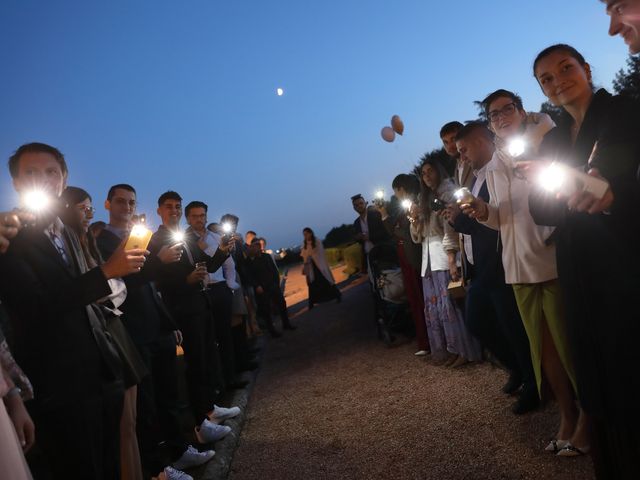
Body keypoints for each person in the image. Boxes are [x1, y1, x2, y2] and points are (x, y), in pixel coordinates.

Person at [0, 142, 147, 479]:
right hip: (59, 385)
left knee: (111, 463)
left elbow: (86, 297)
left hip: (101, 371)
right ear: (17, 184)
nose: (43, 179)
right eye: (31, 173)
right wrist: (107, 272)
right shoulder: (10, 238)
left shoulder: (67, 230)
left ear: (64, 180)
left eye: (51, 172)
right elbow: (37, 305)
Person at [530, 44, 640, 476]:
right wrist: (547, 187)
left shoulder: (624, 112)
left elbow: (620, 177)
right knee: (592, 372)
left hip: (624, 260)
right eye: (547, 79)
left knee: (628, 365)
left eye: (565, 68)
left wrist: (604, 190)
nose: (558, 81)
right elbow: (542, 211)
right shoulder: (554, 140)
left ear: (586, 68)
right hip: (576, 269)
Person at [461, 89, 588, 455]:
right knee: (543, 349)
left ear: (521, 108)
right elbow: (503, 218)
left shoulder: (546, 138)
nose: (501, 117)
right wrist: (483, 211)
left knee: (570, 344)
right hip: (516, 265)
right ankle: (566, 414)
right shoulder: (497, 160)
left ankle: (590, 419)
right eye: (494, 114)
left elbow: (561, 193)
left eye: (507, 109)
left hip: (549, 255)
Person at [96, 184, 214, 475]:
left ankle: (180, 450)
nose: (127, 207)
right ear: (107, 204)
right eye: (120, 202)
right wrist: (157, 263)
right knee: (145, 407)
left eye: (132, 202)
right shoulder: (102, 244)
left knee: (170, 393)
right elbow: (120, 283)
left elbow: (151, 287)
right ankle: (157, 467)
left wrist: (169, 324)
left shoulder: (140, 239)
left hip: (156, 325)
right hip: (133, 329)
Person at [447, 122, 538, 414]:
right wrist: (457, 218)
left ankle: (534, 385)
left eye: (463, 149)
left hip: (499, 262)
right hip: (480, 267)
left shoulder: (499, 173)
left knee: (513, 327)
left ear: (481, 142)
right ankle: (516, 368)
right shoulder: (475, 179)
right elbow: (477, 220)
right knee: (477, 322)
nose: (461, 157)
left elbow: (496, 222)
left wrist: (465, 218)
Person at [60, 186, 149, 480]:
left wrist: (111, 278)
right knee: (123, 427)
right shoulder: (66, 246)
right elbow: (95, 290)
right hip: (103, 330)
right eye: (82, 208)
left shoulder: (86, 242)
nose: (88, 214)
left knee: (131, 423)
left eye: (89, 209)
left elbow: (113, 288)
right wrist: (110, 275)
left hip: (115, 326)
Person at [148, 191, 236, 446]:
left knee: (207, 357)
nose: (174, 210)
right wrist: (186, 280)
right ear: (159, 211)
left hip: (202, 303)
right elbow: (157, 278)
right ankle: (201, 423)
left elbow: (206, 265)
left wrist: (221, 250)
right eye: (169, 207)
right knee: (195, 363)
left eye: (177, 206)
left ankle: (210, 408)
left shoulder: (186, 236)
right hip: (183, 310)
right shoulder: (155, 240)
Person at [409, 156, 482, 368]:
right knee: (438, 307)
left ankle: (466, 350)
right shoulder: (426, 197)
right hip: (429, 256)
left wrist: (451, 256)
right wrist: (414, 219)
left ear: (438, 170)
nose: (427, 176)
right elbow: (418, 236)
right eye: (423, 173)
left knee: (451, 304)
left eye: (430, 171)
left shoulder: (447, 191)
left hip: (444, 252)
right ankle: (451, 348)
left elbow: (450, 226)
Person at [185, 201, 248, 391]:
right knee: (208, 340)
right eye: (195, 216)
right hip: (202, 291)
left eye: (202, 215)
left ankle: (230, 378)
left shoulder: (215, 235)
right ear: (187, 218)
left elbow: (228, 259)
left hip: (220, 288)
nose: (199, 219)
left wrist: (231, 246)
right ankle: (215, 383)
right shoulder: (183, 239)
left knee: (225, 334)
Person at [385, 174, 430, 356]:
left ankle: (427, 341)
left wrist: (396, 228)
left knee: (420, 297)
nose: (395, 194)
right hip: (406, 257)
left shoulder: (414, 204)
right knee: (414, 297)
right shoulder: (401, 209)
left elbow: (405, 233)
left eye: (396, 190)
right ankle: (425, 340)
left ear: (402, 188)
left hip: (414, 256)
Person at [246, 238, 296, 337]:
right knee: (266, 310)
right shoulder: (249, 261)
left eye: (259, 246)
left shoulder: (267, 256)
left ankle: (286, 324)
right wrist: (256, 286)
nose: (258, 247)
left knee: (282, 304)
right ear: (252, 247)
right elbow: (249, 275)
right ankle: (272, 331)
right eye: (255, 246)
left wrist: (276, 283)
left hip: (273, 285)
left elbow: (273, 270)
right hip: (262, 289)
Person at [300, 227, 341, 309]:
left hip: (319, 266)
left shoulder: (317, 241)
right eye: (304, 234)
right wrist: (306, 261)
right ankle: (311, 303)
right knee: (312, 285)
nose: (305, 236)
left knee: (327, 281)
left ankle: (338, 296)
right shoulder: (304, 244)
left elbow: (319, 253)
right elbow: (304, 255)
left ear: (310, 233)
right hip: (311, 268)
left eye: (306, 234)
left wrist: (310, 257)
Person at [351, 194, 392, 274]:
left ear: (366, 203)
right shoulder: (356, 223)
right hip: (369, 256)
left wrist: (370, 237)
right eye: (356, 205)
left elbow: (385, 232)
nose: (359, 206)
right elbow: (359, 240)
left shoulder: (376, 214)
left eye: (361, 203)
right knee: (374, 282)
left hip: (382, 253)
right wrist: (358, 238)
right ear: (354, 208)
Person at [440, 121, 472, 187]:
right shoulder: (456, 169)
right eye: (446, 142)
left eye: (453, 139)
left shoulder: (476, 161)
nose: (450, 146)